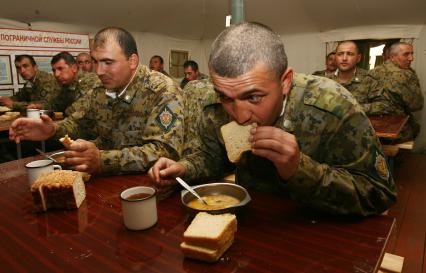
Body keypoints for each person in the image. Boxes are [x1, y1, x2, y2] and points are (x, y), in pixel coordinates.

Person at [149, 22, 396, 216]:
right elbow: (211, 158)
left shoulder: (333, 106)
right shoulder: (213, 102)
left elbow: (379, 193)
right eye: (226, 96)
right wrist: (184, 168)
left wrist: (299, 168)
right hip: (252, 222)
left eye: (254, 97)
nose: (240, 115)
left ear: (285, 81)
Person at [10, 27, 184, 175]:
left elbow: (164, 152)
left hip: (146, 186)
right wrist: (52, 129)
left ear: (132, 61)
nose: (99, 71)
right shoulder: (101, 90)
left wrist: (103, 160)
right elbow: (78, 123)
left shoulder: (163, 90)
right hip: (106, 182)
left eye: (108, 62)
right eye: (96, 62)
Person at [369, 42, 424, 142]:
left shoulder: (372, 72)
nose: (411, 58)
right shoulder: (406, 75)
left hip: (372, 129)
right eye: (406, 54)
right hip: (398, 131)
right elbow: (416, 105)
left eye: (412, 54)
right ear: (392, 57)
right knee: (415, 127)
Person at [328, 40, 389, 115]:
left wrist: (354, 109)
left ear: (358, 58)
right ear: (335, 57)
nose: (344, 58)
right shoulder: (326, 80)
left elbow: (384, 105)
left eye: (350, 54)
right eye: (340, 54)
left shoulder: (370, 79)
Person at [45, 51, 100, 117]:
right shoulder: (67, 83)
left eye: (60, 68)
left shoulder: (90, 80)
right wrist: (40, 107)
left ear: (74, 68)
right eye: (54, 70)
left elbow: (76, 111)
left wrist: (58, 116)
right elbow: (57, 105)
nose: (56, 74)